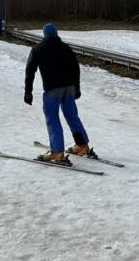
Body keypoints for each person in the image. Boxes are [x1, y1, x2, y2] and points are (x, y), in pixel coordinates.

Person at [24, 23, 91, 165]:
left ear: (44, 34)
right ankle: (82, 145)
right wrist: (77, 87)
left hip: (53, 90)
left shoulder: (38, 49)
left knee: (53, 119)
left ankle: (57, 151)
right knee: (72, 116)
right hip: (69, 88)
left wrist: (28, 92)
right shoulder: (66, 48)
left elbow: (30, 71)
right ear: (56, 33)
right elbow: (76, 68)